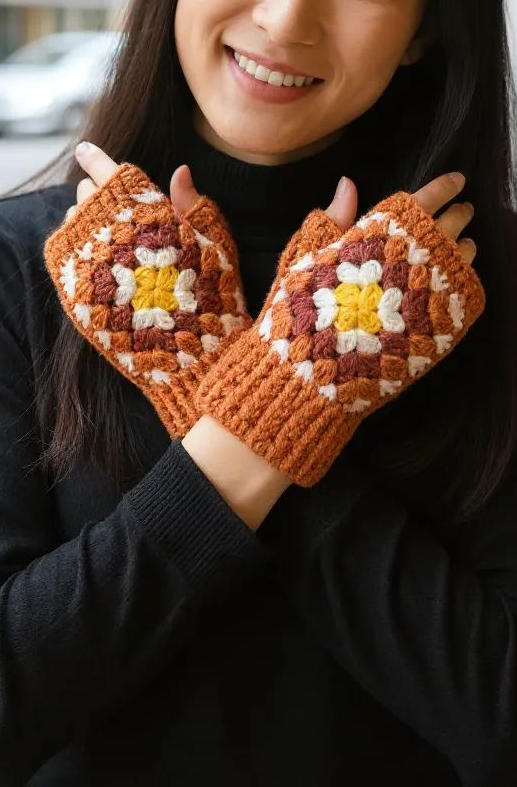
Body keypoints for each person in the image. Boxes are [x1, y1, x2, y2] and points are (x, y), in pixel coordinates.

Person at [0, 0, 516, 784]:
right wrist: (278, 404)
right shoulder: (18, 263)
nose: (283, 18)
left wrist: (247, 393)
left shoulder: (477, 284)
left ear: (425, 30)